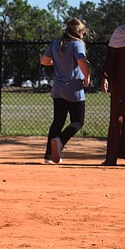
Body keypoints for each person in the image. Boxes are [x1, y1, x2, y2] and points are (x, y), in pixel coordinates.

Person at [40, 18, 90, 164]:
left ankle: (48, 156)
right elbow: (82, 61)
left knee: (57, 121)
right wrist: (87, 77)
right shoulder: (78, 44)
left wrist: (58, 61)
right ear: (79, 32)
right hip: (74, 89)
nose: (83, 36)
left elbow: (43, 61)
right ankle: (60, 140)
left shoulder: (55, 44)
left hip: (58, 89)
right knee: (78, 121)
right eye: (83, 32)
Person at [102, 7, 125, 166]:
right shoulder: (120, 32)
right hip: (121, 82)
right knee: (116, 118)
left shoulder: (120, 31)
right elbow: (110, 58)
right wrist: (105, 77)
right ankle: (111, 157)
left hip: (120, 82)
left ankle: (116, 156)